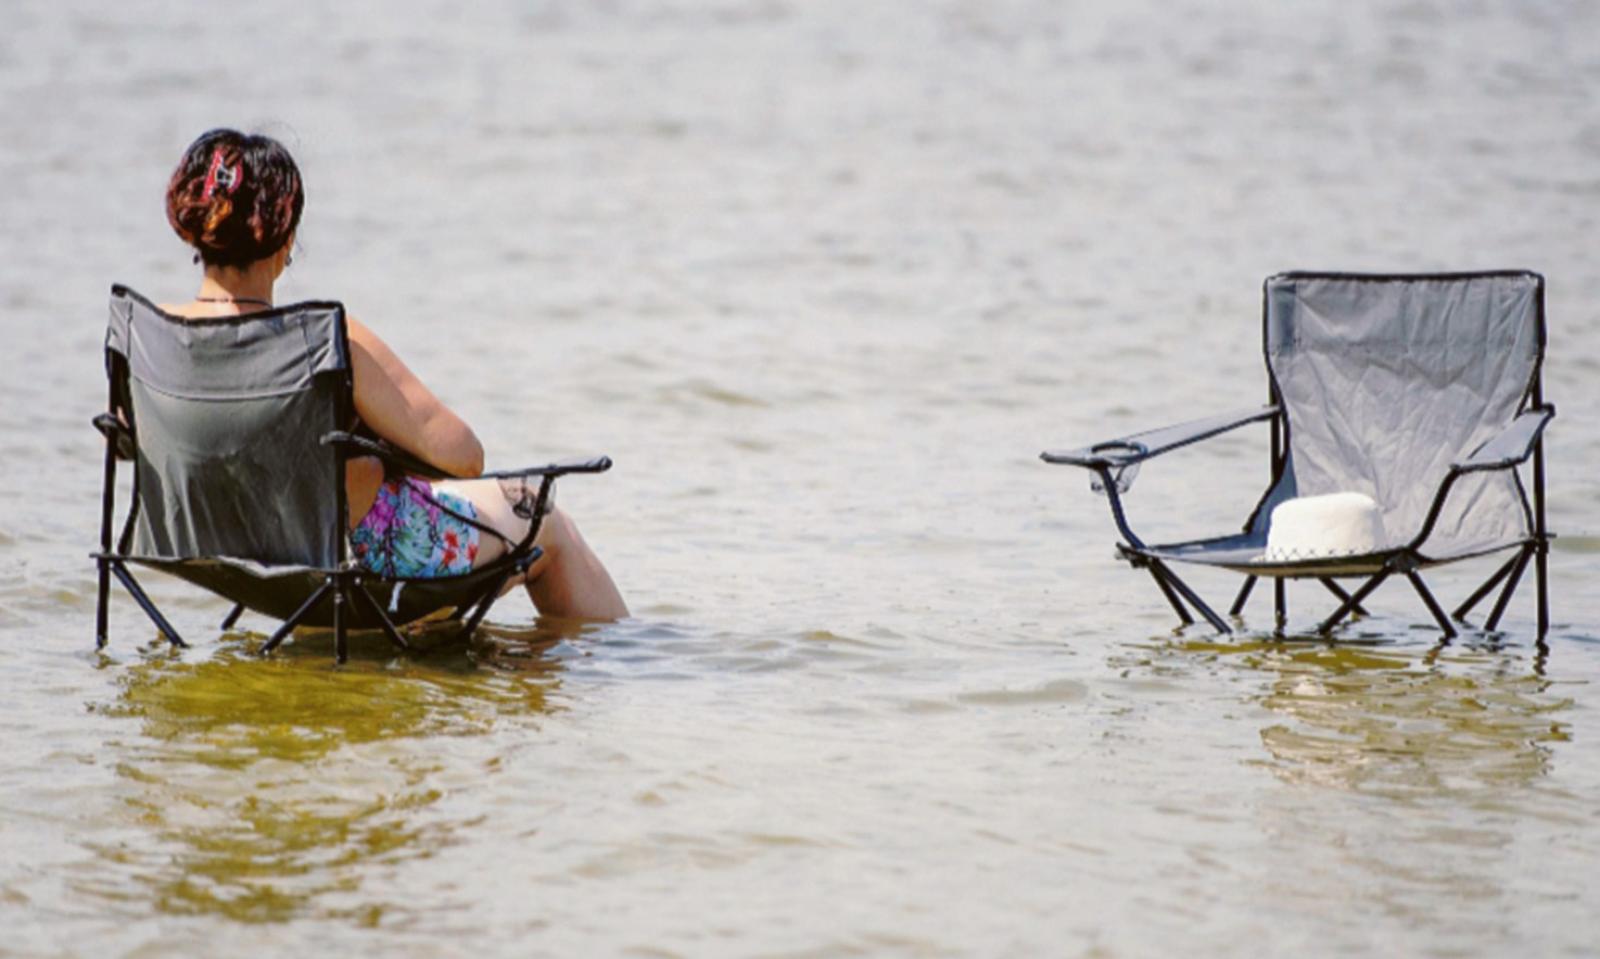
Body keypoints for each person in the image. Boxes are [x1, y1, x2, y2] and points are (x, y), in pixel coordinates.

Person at [160, 128, 627, 620]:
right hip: (352, 563)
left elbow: (132, 444)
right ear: (286, 236)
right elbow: (464, 456)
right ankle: (626, 666)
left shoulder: (154, 337)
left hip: (229, 557)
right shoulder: (324, 341)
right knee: (541, 516)